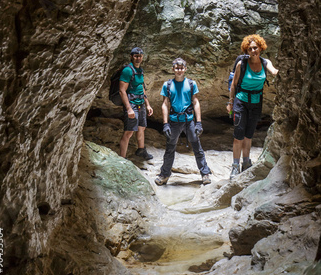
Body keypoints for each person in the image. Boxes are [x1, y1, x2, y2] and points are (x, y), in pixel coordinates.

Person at [226, 34, 278, 179]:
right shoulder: (241, 64)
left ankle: (246, 163)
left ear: (261, 48)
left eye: (255, 48)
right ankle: (235, 166)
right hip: (241, 102)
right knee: (238, 136)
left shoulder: (264, 62)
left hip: (256, 102)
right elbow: (234, 85)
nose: (253, 51)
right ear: (246, 50)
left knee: (249, 135)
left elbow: (274, 72)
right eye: (250, 49)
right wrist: (230, 102)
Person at [155, 58, 212, 186]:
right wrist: (165, 124)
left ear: (185, 69)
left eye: (181, 68)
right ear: (173, 69)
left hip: (189, 120)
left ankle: (205, 173)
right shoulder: (168, 85)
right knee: (170, 148)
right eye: (177, 68)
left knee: (197, 147)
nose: (179, 70)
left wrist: (199, 123)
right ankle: (164, 175)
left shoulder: (191, 84)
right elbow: (165, 104)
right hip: (174, 121)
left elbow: (196, 102)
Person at [119, 47, 154, 160]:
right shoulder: (128, 70)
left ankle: (141, 150)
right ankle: (122, 158)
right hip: (132, 103)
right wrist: (129, 109)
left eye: (140, 56)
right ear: (131, 56)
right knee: (129, 131)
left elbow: (141, 87)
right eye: (136, 56)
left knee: (141, 128)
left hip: (141, 103)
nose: (138, 58)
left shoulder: (140, 70)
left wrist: (147, 104)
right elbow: (122, 90)